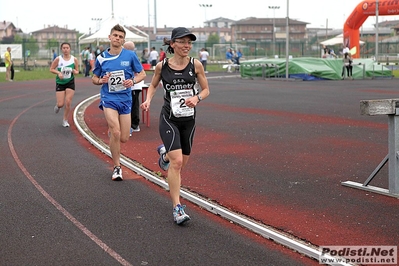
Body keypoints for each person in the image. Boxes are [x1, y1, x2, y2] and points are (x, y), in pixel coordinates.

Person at [141, 27, 210, 224]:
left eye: (189, 43)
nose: (186, 46)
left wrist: (197, 98)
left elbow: (206, 90)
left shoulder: (196, 65)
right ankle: (177, 208)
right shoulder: (162, 66)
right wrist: (148, 100)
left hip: (188, 120)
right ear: (172, 44)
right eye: (182, 42)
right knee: (177, 163)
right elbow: (153, 84)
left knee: (180, 165)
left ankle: (164, 153)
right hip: (168, 118)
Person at [92, 24, 146, 181]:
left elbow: (141, 74)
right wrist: (101, 80)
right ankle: (117, 167)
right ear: (109, 37)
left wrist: (133, 80)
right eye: (115, 35)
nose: (117, 38)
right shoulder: (101, 58)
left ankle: (114, 134)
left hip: (125, 99)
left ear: (124, 40)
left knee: (124, 138)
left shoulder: (130, 56)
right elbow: (94, 78)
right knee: (116, 132)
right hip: (109, 98)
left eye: (120, 37)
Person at [49, 42, 79, 127]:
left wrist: (74, 71)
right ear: (61, 49)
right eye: (64, 48)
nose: (65, 50)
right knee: (61, 104)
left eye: (67, 48)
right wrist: (58, 73)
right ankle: (58, 106)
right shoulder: (58, 59)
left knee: (68, 102)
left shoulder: (74, 59)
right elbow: (51, 69)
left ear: (70, 49)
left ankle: (65, 120)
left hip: (70, 82)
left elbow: (77, 71)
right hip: (60, 83)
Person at [123, 41, 143, 134]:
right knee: (128, 105)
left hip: (134, 85)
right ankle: (127, 125)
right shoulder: (127, 56)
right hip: (128, 85)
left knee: (133, 105)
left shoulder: (132, 56)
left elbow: (139, 72)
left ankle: (134, 125)